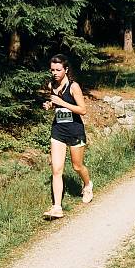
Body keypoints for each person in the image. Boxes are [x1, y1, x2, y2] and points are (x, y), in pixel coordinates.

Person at [42, 54, 93, 219]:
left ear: (66, 70)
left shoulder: (73, 87)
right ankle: (57, 207)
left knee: (77, 166)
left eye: (58, 70)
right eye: (52, 70)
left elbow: (82, 110)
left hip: (75, 130)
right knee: (56, 170)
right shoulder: (52, 85)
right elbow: (56, 103)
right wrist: (50, 105)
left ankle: (87, 184)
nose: (55, 73)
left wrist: (61, 102)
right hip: (58, 131)